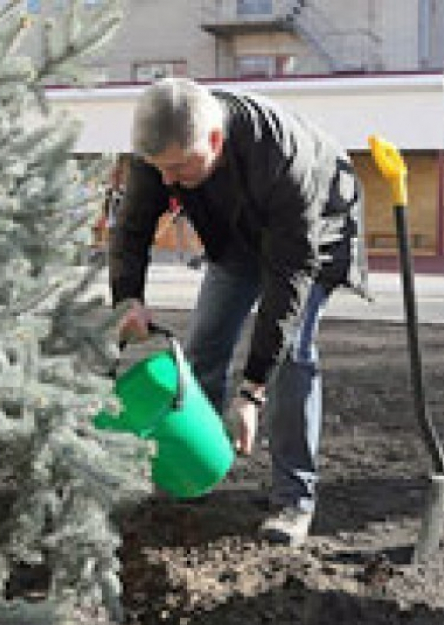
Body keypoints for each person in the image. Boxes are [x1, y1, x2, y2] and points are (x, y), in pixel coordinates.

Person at [109, 78, 367, 546]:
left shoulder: (283, 157)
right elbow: (130, 228)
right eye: (159, 168)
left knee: (293, 355)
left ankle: (294, 499)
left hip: (312, 238)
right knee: (203, 346)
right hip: (236, 239)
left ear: (213, 140)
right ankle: (188, 474)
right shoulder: (163, 148)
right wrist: (128, 298)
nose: (167, 181)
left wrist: (251, 393)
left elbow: (289, 280)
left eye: (179, 168)